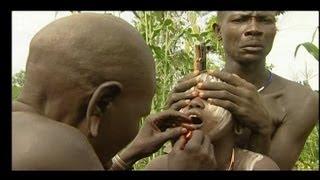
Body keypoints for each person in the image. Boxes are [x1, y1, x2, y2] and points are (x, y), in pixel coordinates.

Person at [12, 13, 216, 170]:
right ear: (101, 104)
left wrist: (128, 155)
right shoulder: (59, 150)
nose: (138, 129)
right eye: (138, 117)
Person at [166, 11, 319, 170]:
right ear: (218, 31)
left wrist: (262, 130)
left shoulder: (302, 101)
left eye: (264, 20)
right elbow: (176, 160)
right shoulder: (194, 90)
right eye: (240, 19)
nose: (254, 29)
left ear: (275, 29)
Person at [146, 72, 279, 170]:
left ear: (238, 125)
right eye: (188, 98)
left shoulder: (258, 167)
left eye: (209, 98)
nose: (194, 104)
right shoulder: (160, 166)